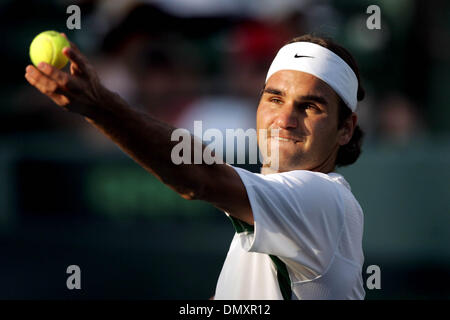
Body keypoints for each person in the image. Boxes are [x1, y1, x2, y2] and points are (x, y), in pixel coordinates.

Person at [24, 33, 366, 300]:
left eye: (309, 106)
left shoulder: (324, 199)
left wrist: (99, 105)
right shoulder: (277, 216)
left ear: (345, 129)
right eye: (275, 98)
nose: (285, 119)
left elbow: (198, 179)